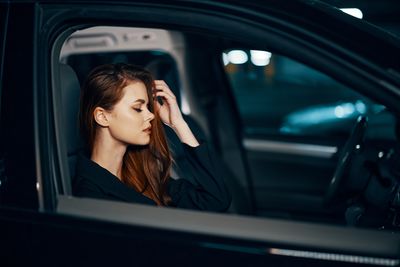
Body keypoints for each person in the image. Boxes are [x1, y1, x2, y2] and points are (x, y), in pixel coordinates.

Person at [72, 63, 231, 212]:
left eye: (148, 107)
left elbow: (216, 200)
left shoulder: (143, 173)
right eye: (137, 108)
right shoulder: (90, 193)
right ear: (102, 117)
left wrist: (178, 124)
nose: (150, 115)